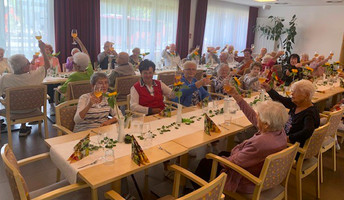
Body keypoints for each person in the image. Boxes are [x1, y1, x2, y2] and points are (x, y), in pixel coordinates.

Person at [194, 84, 288, 193]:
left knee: (205, 162)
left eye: (259, 115)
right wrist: (236, 96)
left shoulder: (260, 143)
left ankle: (204, 194)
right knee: (220, 154)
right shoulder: (278, 130)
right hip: (257, 167)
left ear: (266, 124)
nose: (256, 117)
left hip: (246, 179)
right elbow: (252, 116)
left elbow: (234, 162)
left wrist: (222, 160)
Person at [0, 40, 50, 136]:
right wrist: (42, 50)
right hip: (31, 109)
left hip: (12, 110)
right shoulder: (34, 76)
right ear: (24, 68)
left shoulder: (5, 78)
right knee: (24, 99)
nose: (30, 65)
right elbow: (47, 66)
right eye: (28, 64)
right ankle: (23, 127)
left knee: (15, 100)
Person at [261, 79, 320, 147]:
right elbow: (281, 99)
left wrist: (288, 139)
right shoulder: (297, 104)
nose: (292, 94)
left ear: (306, 95)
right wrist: (269, 89)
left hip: (292, 149)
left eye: (295, 92)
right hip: (283, 137)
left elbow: (307, 131)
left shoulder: (309, 113)